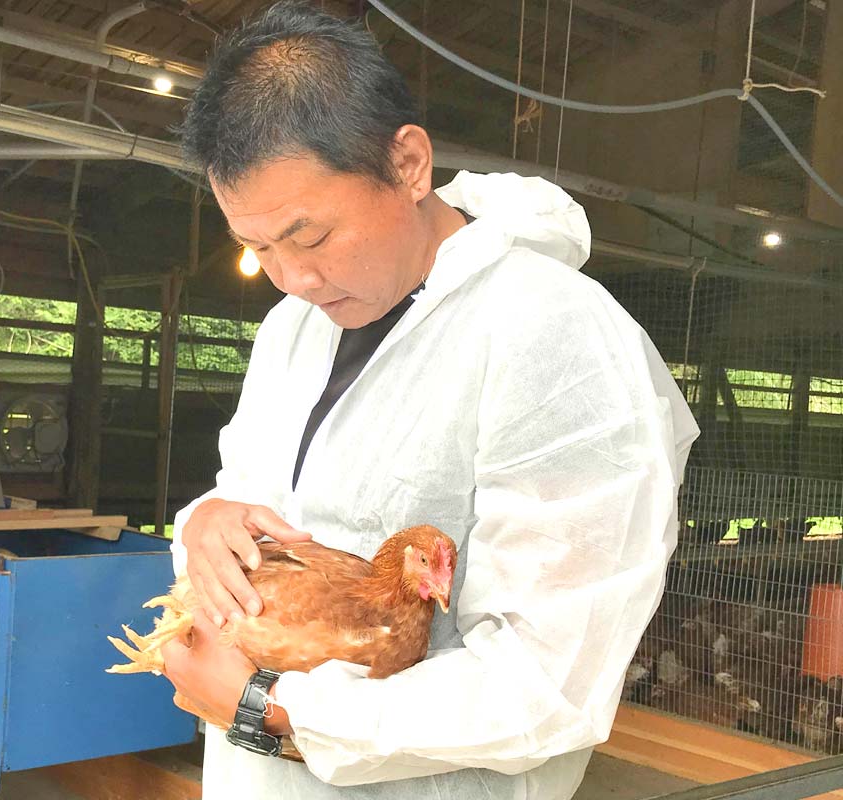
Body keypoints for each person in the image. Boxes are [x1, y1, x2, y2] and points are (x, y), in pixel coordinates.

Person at [158, 3, 700, 799]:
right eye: (258, 247)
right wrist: (206, 521)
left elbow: (548, 680)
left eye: (308, 238)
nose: (290, 278)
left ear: (408, 163)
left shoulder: (555, 337)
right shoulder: (291, 331)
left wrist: (270, 712)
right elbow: (257, 497)